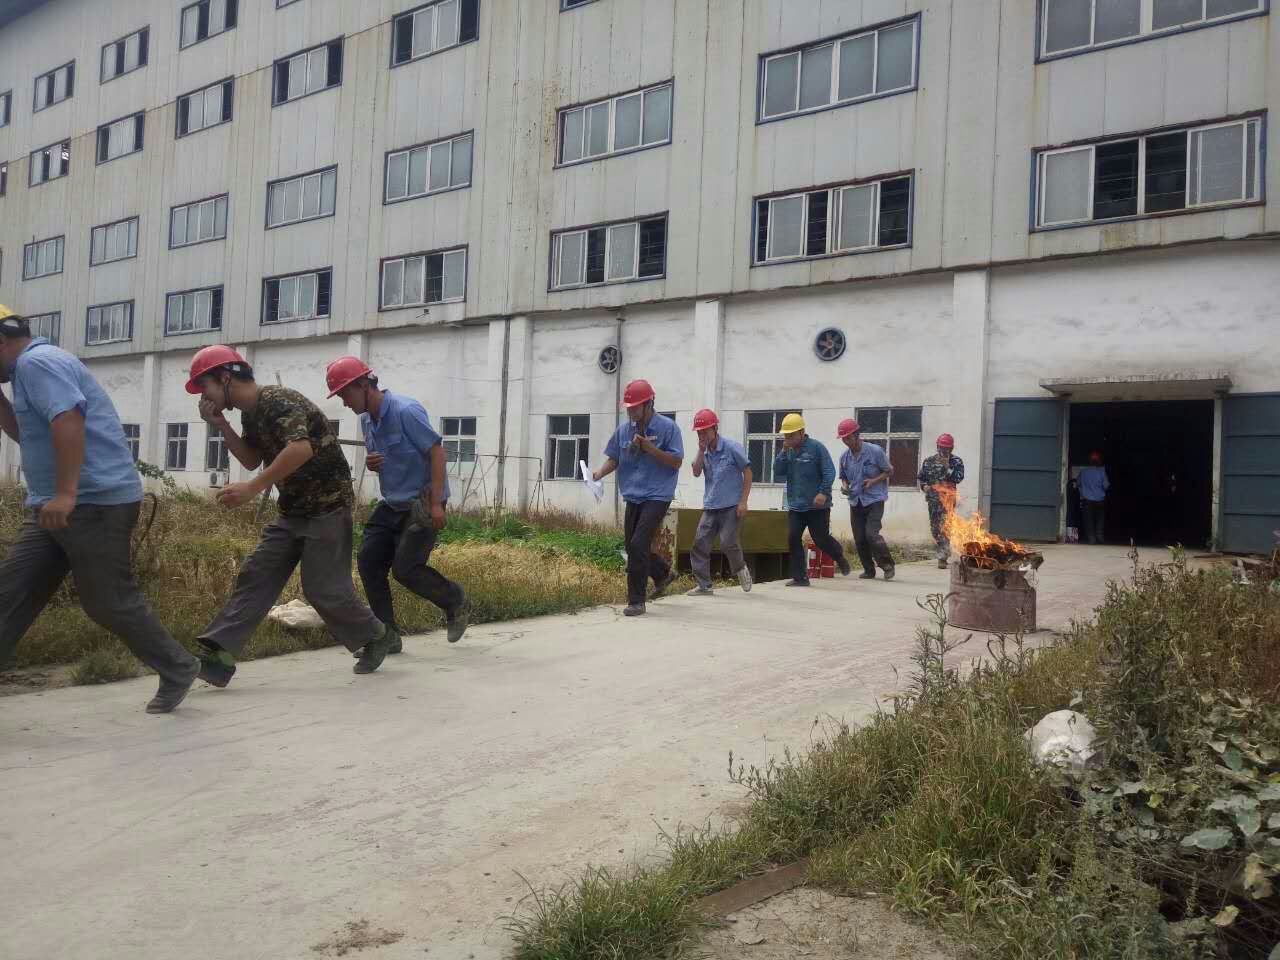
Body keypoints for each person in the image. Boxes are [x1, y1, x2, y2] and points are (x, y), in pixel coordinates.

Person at [0, 307, 199, 713]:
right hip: (52, 505)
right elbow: (30, 435)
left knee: (108, 601)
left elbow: (68, 421)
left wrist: (66, 493)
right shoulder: (26, 371)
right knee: (10, 592)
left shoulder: (39, 363)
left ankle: (178, 666)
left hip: (93, 502)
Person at [188, 345, 392, 684]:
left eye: (204, 386)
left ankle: (376, 636)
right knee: (257, 572)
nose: (202, 395)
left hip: (327, 506)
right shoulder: (250, 413)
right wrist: (221, 423)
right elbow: (251, 459)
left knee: (322, 588)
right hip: (294, 509)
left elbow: (300, 448)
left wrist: (252, 489)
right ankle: (219, 656)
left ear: (224, 378)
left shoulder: (279, 401)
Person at [325, 356, 468, 649]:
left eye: (345, 394)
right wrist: (372, 463)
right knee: (369, 560)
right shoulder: (366, 420)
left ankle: (455, 601)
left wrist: (436, 503)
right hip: (392, 503)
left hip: (421, 503)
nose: (344, 403)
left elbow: (437, 452)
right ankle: (386, 636)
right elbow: (384, 457)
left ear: (364, 386)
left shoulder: (406, 411)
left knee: (406, 569)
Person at [592, 379, 683, 617]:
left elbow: (676, 462)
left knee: (639, 542)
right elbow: (614, 457)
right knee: (631, 545)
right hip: (633, 494)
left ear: (649, 404)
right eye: (629, 407)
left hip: (658, 494)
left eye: (635, 407)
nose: (631, 411)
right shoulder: (624, 431)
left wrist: (651, 449)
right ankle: (663, 574)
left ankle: (636, 601)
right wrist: (599, 474)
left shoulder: (668, 428)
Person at [773, 413, 851, 586]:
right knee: (793, 538)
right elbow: (778, 471)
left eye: (791, 435)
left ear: (801, 432)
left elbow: (829, 471)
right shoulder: (788, 452)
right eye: (786, 436)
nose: (788, 439)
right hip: (796, 505)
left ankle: (839, 557)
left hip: (817, 506)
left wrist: (823, 492)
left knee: (820, 539)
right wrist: (783, 451)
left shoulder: (816, 448)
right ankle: (800, 578)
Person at [686, 408, 753, 597]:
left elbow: (748, 473)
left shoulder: (732, 448)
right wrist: (701, 451)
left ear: (715, 429)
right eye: (699, 433)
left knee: (727, 542)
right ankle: (704, 586)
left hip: (731, 506)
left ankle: (740, 568)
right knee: (699, 544)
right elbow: (696, 472)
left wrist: (743, 501)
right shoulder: (704, 453)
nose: (702, 436)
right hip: (710, 506)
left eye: (705, 431)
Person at [837, 418, 896, 580]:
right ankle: (869, 570)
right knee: (859, 538)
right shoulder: (844, 457)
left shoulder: (875, 451)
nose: (846, 441)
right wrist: (845, 486)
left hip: (874, 500)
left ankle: (887, 565)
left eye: (848, 437)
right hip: (855, 501)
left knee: (871, 534)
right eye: (843, 438)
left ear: (857, 435)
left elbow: (889, 471)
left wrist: (873, 481)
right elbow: (843, 477)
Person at [917, 433, 965, 569]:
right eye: (942, 447)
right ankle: (942, 550)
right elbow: (921, 477)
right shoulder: (929, 461)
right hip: (933, 500)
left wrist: (947, 467)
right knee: (935, 528)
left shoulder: (956, 462)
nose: (944, 450)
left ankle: (942, 556)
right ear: (937, 447)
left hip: (948, 500)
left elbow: (958, 478)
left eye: (947, 448)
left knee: (945, 526)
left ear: (951, 448)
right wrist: (924, 486)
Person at [1079, 451, 1110, 545]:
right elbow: (1106, 486)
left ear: (1090, 461)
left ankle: (1092, 538)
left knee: (1089, 520)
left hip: (1087, 500)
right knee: (1100, 519)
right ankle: (1099, 536)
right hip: (1100, 500)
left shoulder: (1083, 472)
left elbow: (1078, 483)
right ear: (1099, 461)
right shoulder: (1102, 472)